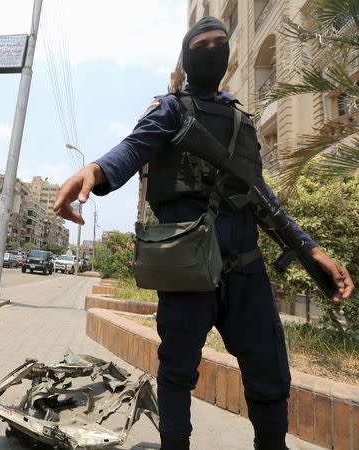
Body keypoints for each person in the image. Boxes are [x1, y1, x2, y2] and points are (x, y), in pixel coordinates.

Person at [54, 17, 354, 450]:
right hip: (188, 268)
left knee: (271, 375)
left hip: (246, 268)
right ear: (187, 54)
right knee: (177, 372)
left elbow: (262, 197)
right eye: (201, 43)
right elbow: (133, 148)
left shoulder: (242, 122)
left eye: (220, 42)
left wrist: (313, 250)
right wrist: (94, 170)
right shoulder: (171, 109)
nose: (212, 48)